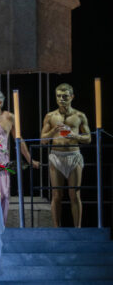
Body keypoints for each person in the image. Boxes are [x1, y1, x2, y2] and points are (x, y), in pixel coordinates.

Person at [0, 89, 39, 224]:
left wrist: (29, 160)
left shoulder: (9, 117)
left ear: (0, 102)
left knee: (3, 195)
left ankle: (0, 227)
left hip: (2, 163)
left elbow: (19, 140)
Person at [41, 83, 91, 227]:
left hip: (73, 155)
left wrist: (75, 136)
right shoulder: (50, 116)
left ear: (72, 97)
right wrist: (53, 131)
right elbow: (43, 140)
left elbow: (88, 138)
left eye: (65, 96)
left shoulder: (79, 115)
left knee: (74, 194)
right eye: (58, 96)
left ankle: (78, 228)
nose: (61, 99)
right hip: (56, 156)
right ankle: (56, 228)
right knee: (56, 195)